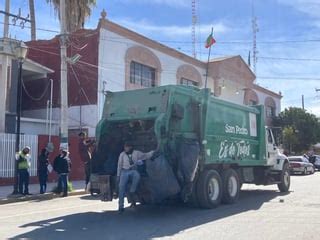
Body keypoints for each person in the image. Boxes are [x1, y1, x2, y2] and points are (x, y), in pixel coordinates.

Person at [117, 142, 154, 213]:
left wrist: (152, 152)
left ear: (131, 147)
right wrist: (118, 176)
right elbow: (119, 165)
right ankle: (120, 207)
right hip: (124, 171)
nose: (126, 148)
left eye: (127, 147)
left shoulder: (136, 153)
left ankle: (132, 190)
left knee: (137, 175)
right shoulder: (122, 155)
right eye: (125, 147)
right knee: (121, 188)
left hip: (133, 170)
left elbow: (145, 156)